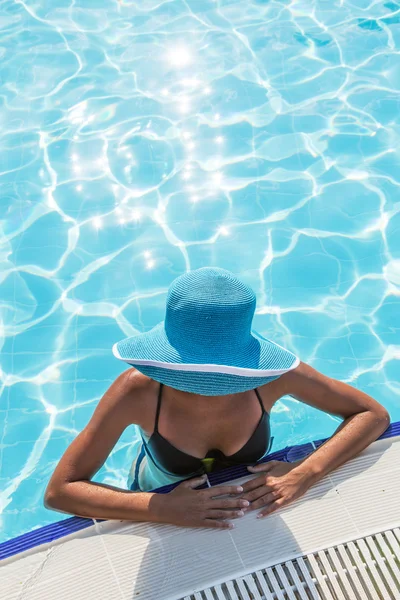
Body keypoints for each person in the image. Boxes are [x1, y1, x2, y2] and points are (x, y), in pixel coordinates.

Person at [45, 267, 390, 530]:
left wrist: (306, 471)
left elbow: (371, 414)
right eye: (193, 375)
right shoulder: (138, 391)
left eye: (218, 377)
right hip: (158, 493)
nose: (206, 386)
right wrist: (163, 508)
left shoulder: (273, 377)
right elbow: (61, 490)